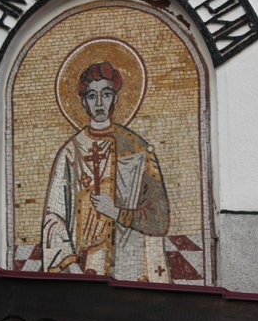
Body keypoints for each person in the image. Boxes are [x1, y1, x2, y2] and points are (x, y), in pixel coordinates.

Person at [41, 62, 171, 281]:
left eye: (107, 94)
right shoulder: (71, 152)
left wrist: (117, 212)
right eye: (92, 96)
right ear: (83, 102)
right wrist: (70, 266)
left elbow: (159, 220)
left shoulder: (138, 149)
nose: (100, 103)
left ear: (116, 98)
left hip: (132, 267)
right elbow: (54, 216)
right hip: (85, 265)